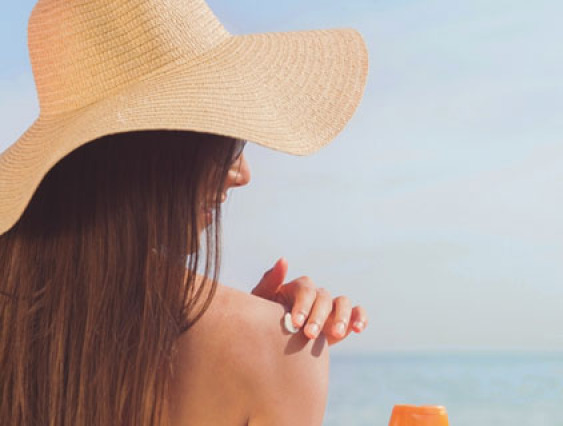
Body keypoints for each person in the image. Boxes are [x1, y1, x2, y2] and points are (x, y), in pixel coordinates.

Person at [0, 0, 369, 425]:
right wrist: (263, 343)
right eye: (228, 144)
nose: (242, 174)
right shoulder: (278, 351)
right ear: (156, 153)